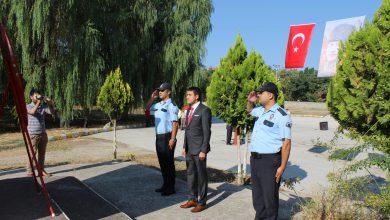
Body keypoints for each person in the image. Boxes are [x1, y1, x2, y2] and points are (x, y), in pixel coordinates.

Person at [246, 82, 292, 220]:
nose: (258, 95)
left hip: (270, 161)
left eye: (262, 92)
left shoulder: (282, 115)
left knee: (269, 198)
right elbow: (249, 111)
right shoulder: (260, 110)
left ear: (270, 95)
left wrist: (282, 167)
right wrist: (249, 101)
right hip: (255, 160)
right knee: (257, 196)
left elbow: (287, 143)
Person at [180, 87, 212, 213]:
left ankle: (202, 202)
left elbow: (207, 132)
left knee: (201, 176)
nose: (187, 97)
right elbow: (187, 131)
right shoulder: (189, 110)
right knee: (191, 175)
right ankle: (192, 199)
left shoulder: (204, 110)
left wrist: (203, 150)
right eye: (186, 94)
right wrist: (184, 146)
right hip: (189, 149)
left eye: (189, 95)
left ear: (196, 96)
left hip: (199, 150)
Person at [146, 82, 179, 196]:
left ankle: (171, 187)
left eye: (162, 90)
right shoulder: (158, 105)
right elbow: (147, 110)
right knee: (162, 162)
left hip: (168, 137)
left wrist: (173, 139)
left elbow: (175, 123)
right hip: (159, 137)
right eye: (159, 90)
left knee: (169, 163)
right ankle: (165, 185)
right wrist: (152, 98)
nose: (160, 92)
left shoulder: (172, 106)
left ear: (168, 92)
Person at [26, 88, 55, 177]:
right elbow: (32, 112)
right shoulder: (27, 106)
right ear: (31, 97)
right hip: (33, 134)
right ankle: (30, 172)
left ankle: (41, 170)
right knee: (32, 154)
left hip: (43, 133)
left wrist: (49, 103)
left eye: (39, 95)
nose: (38, 97)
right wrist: (39, 102)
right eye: (36, 95)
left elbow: (52, 112)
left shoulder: (42, 107)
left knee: (42, 154)